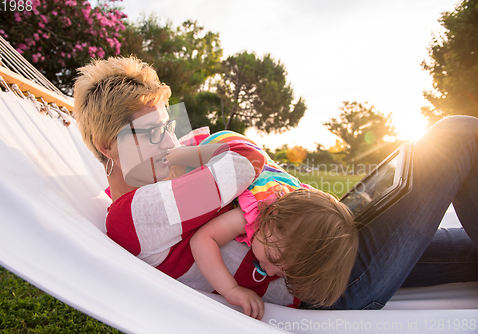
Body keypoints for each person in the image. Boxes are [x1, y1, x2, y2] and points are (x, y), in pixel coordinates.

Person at [72, 56, 478, 315]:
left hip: (325, 236)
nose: (171, 142)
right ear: (109, 146)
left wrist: (189, 150)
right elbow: (247, 160)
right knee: (458, 137)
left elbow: (225, 152)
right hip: (332, 278)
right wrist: (196, 151)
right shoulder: (138, 215)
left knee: (468, 252)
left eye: (168, 125)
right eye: (153, 131)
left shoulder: (153, 185)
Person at [190, 187, 358, 319]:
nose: (269, 272)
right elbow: (203, 239)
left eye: (282, 273)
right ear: (269, 219)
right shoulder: (252, 214)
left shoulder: (286, 229)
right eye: (272, 259)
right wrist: (231, 289)